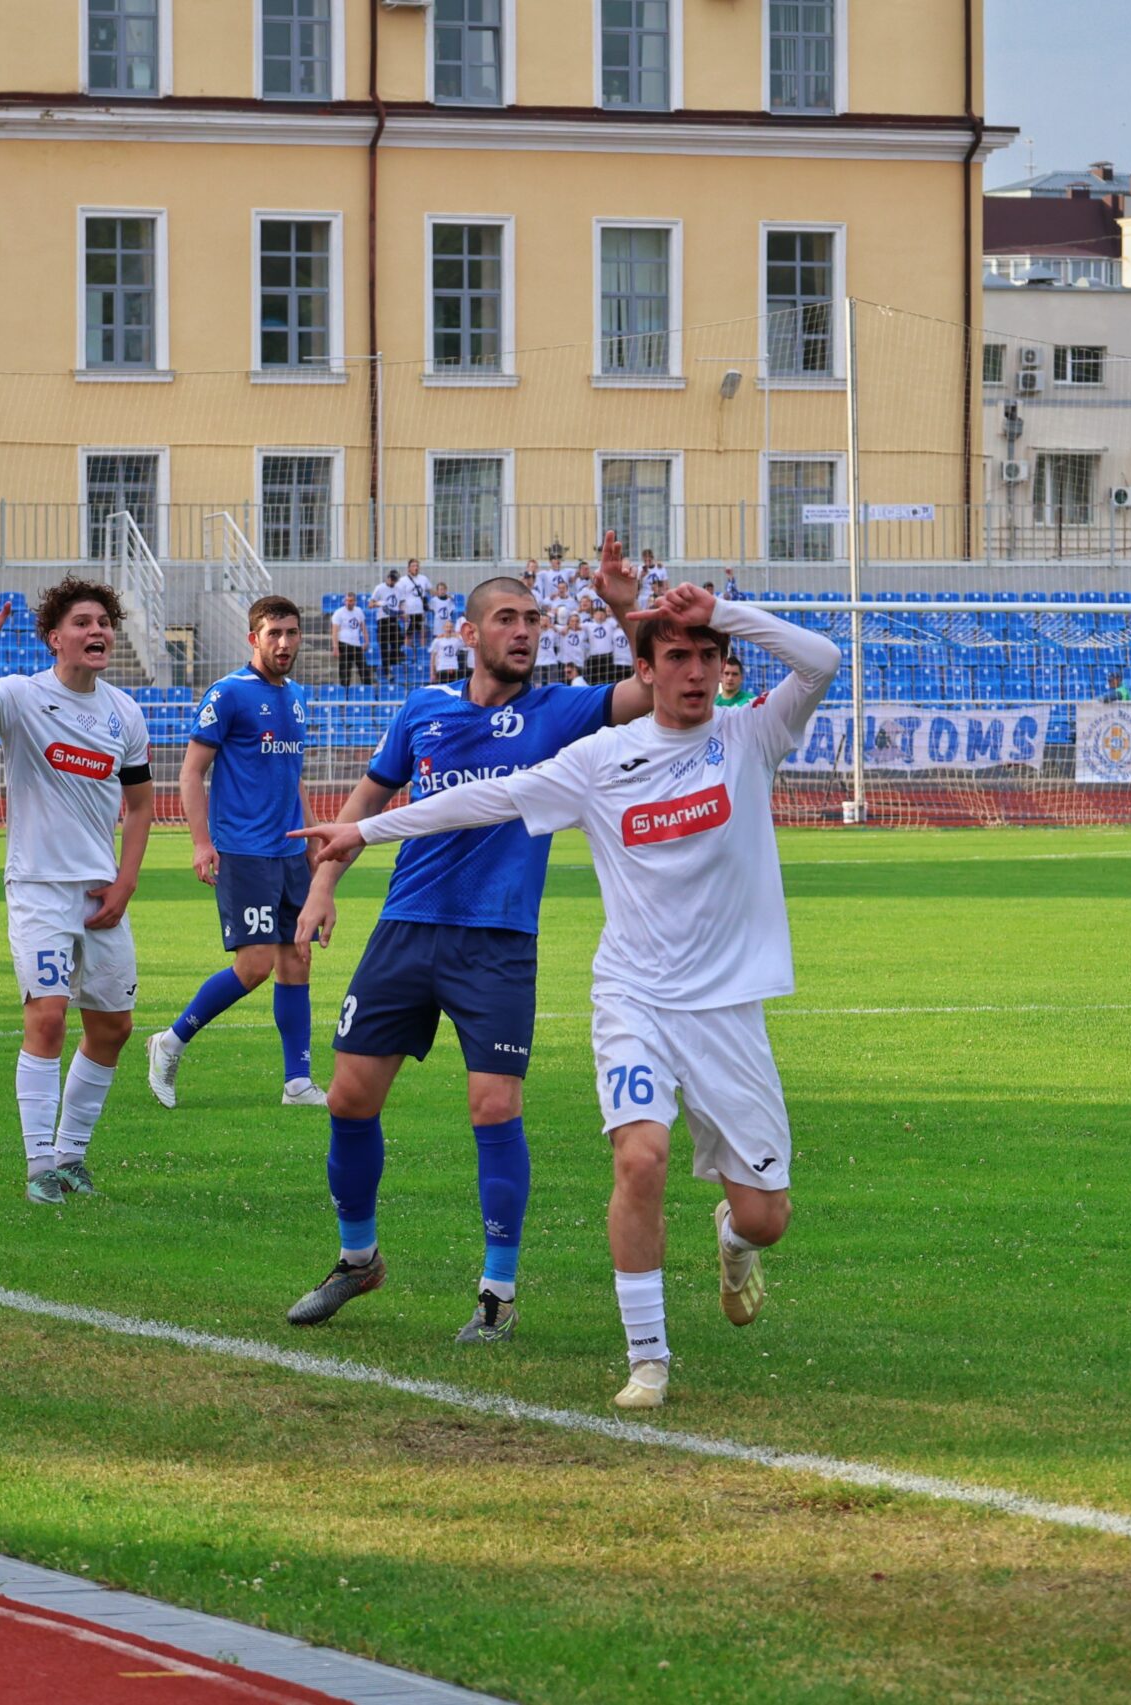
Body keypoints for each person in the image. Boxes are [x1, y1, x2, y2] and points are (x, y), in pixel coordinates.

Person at [295, 582, 838, 1409]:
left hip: (727, 1008)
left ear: (725, 667)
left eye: (708, 658)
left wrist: (720, 612)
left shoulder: (751, 733)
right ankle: (647, 1358)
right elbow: (487, 798)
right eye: (677, 657)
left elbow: (823, 659)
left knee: (766, 1216)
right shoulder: (597, 760)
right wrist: (363, 832)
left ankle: (733, 1241)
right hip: (634, 998)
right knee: (639, 1156)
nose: (695, 673)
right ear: (647, 671)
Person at [283, 534, 655, 1347]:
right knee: (349, 1097)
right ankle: (358, 1260)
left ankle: (497, 1289)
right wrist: (320, 887)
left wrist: (627, 607)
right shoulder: (424, 710)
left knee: (493, 1107)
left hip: (497, 941)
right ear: (470, 633)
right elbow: (364, 806)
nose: (524, 631)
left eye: (534, 619)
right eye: (508, 618)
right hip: (406, 929)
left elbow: (655, 686)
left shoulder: (560, 709)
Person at [0, 576, 154, 1204]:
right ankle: (40, 1165)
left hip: (101, 894)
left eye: (104, 623)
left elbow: (141, 807)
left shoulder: (125, 712)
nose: (97, 632)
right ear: (53, 638)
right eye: (83, 623)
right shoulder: (20, 697)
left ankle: (71, 1156)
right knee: (49, 1018)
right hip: (38, 886)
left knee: (113, 1027)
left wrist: (126, 881)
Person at [148, 595, 327, 1113]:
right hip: (243, 851)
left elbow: (294, 776)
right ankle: (170, 1042)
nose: (285, 643)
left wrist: (314, 835)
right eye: (274, 633)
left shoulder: (297, 697)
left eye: (292, 633)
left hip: (289, 851)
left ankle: (298, 1082)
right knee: (254, 967)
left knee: (297, 959)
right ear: (254, 638)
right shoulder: (228, 694)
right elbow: (190, 773)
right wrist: (201, 843)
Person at [330, 596, 371, 686]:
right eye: (347, 600)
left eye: (351, 600)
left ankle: (368, 688)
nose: (349, 602)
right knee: (345, 669)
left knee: (363, 668)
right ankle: (345, 690)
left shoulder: (359, 611)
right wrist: (335, 647)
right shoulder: (339, 613)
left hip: (356, 644)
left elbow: (363, 627)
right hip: (344, 643)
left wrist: (366, 641)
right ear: (344, 601)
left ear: (355, 602)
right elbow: (334, 631)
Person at [370, 569, 406, 673]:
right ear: (388, 577)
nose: (392, 581)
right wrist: (380, 603)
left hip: (394, 618)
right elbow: (371, 604)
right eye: (391, 579)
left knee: (398, 641)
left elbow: (402, 603)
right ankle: (387, 669)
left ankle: (393, 663)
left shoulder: (399, 589)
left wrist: (403, 612)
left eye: (395, 580)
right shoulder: (380, 588)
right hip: (383, 620)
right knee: (384, 646)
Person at [397, 567, 428, 658]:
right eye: (413, 566)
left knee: (423, 632)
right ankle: (408, 654)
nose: (416, 568)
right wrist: (401, 611)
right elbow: (399, 596)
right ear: (408, 568)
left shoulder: (423, 579)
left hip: (420, 611)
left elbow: (428, 591)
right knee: (409, 633)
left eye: (417, 565)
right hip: (409, 612)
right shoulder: (402, 581)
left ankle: (422, 654)